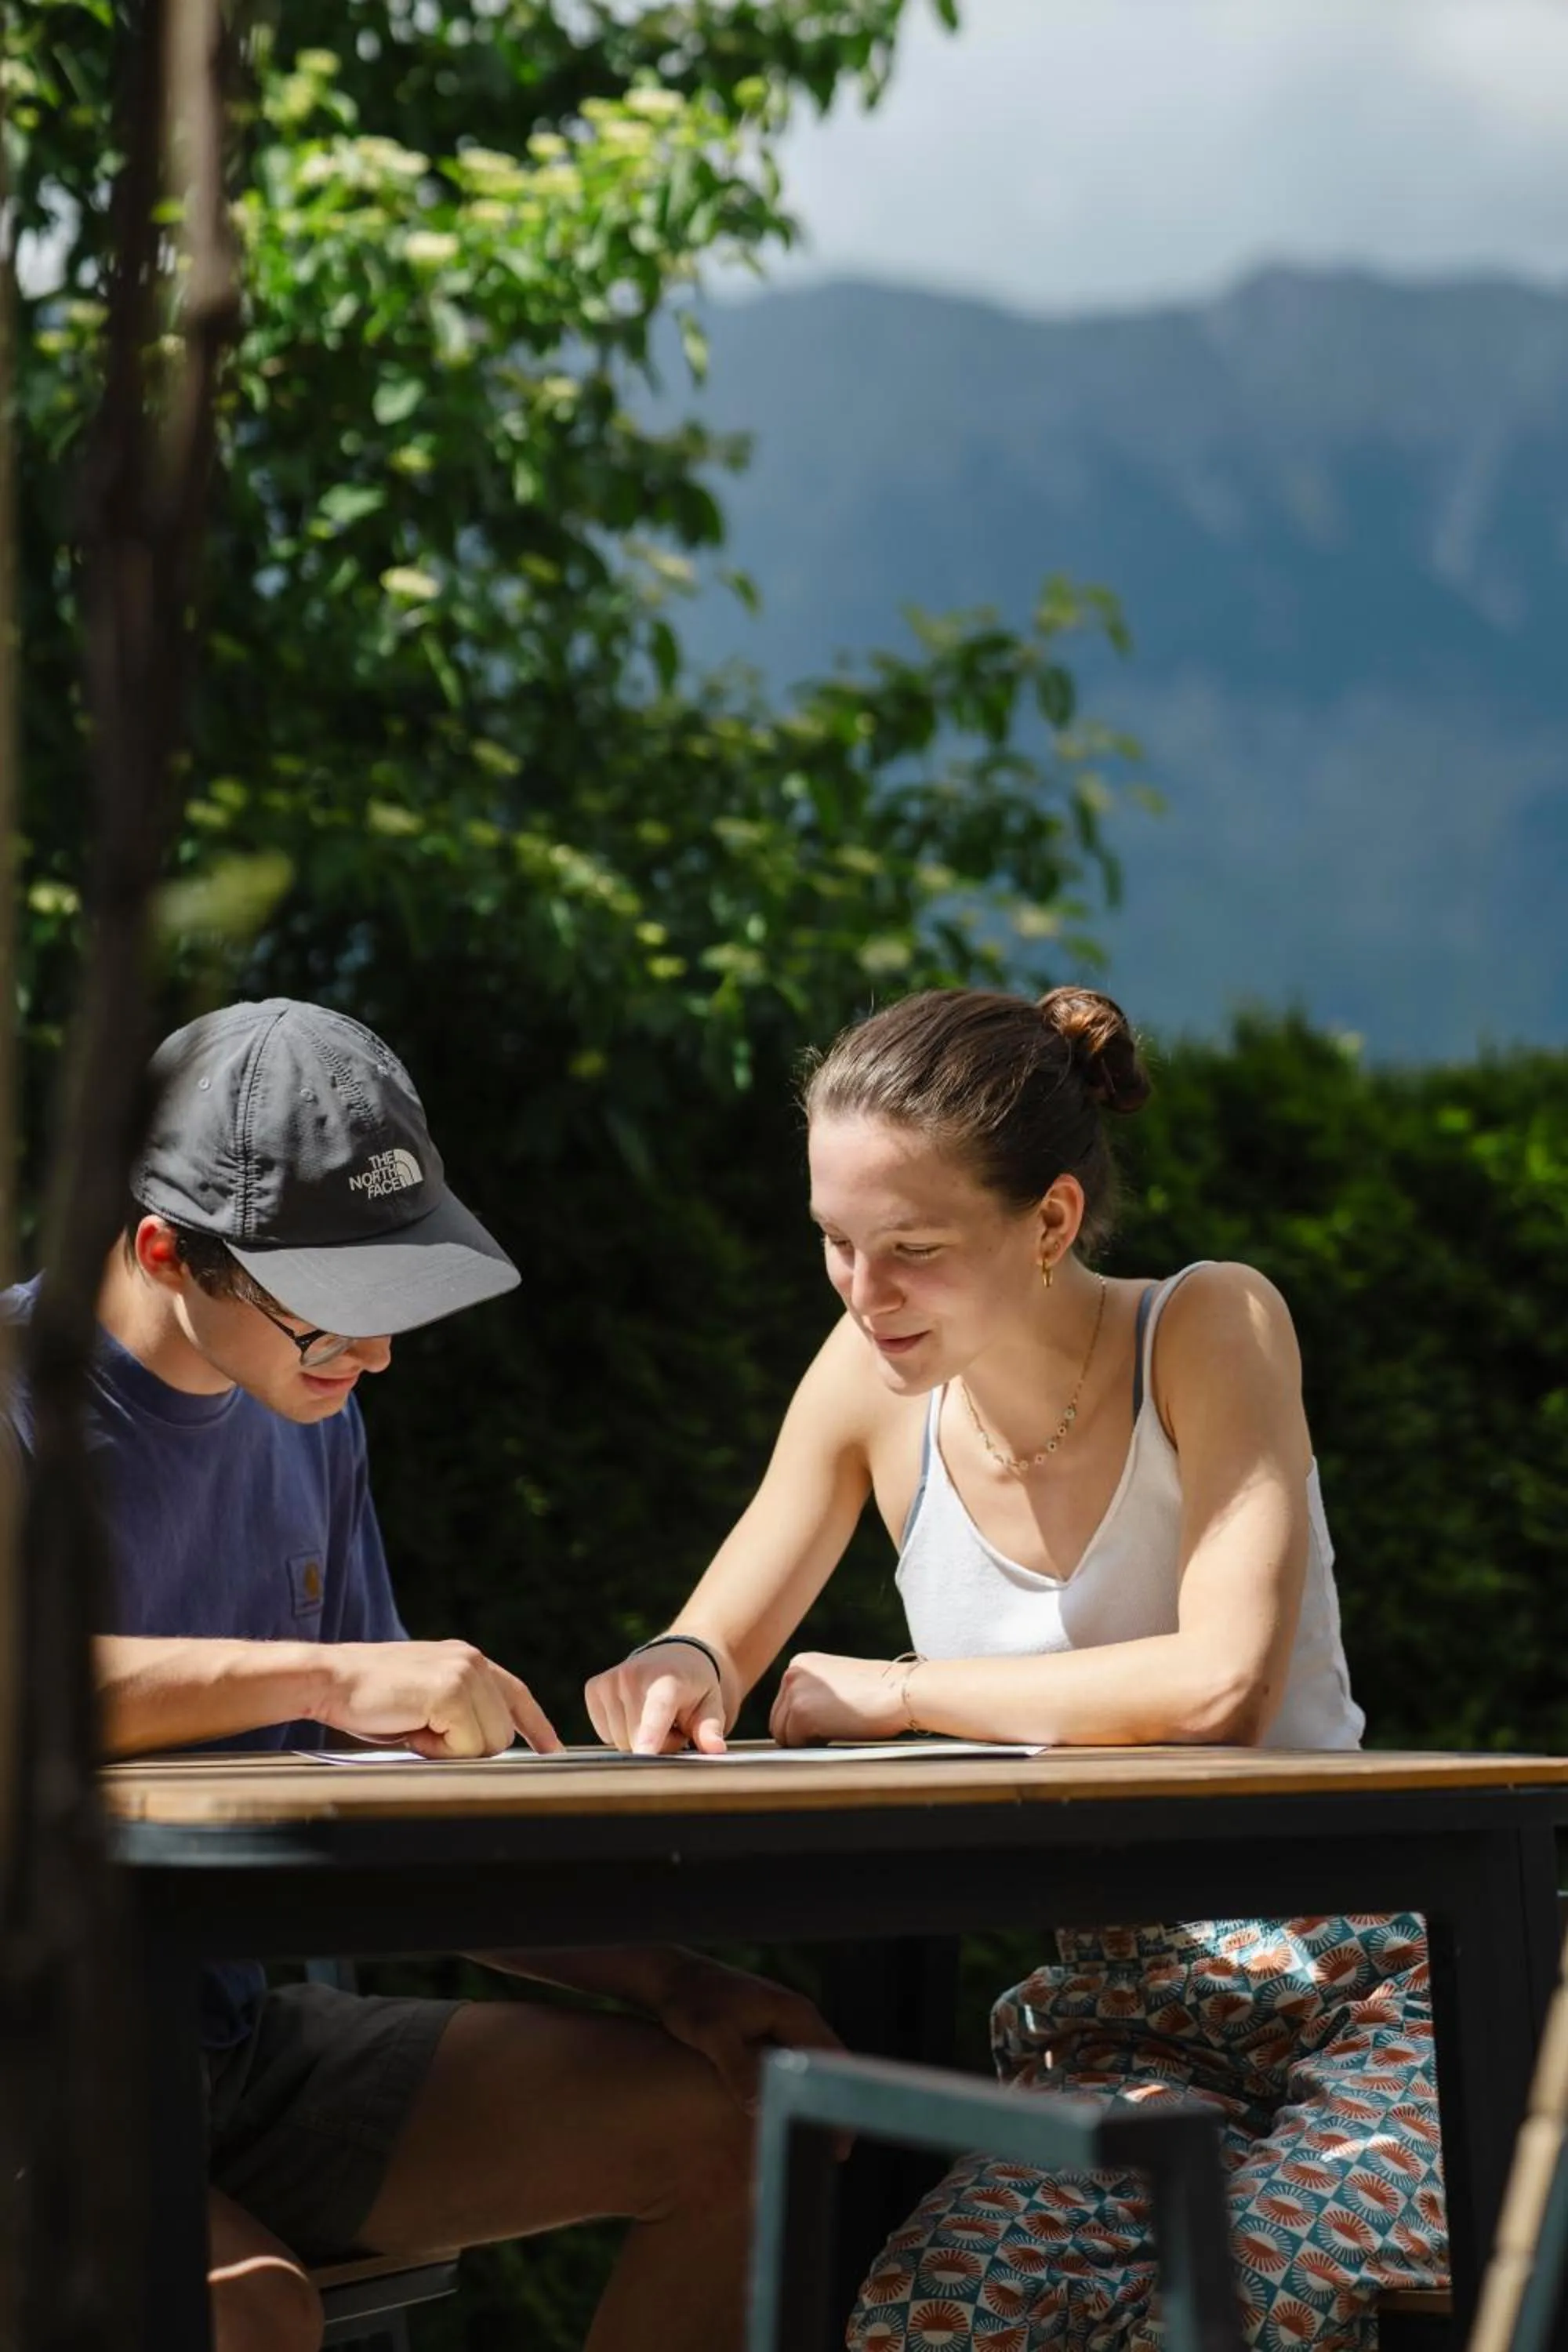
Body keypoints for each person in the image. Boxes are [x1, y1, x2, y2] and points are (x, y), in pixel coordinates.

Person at [586, 985, 1447, 2352]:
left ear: (1049, 1220)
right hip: (1121, 2031)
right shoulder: (870, 1379)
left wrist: (902, 1692)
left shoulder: (1210, 1325)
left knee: (1248, 2297)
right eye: (835, 1245)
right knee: (934, 2312)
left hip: (1360, 1998)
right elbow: (721, 1637)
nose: (864, 1295)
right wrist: (671, 1670)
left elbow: (1220, 1689)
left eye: (911, 1250)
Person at [3, 997, 837, 2352]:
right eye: (330, 1320)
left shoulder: (308, 1419)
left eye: (394, 1306)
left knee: (744, 2122)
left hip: (226, 2054)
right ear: (163, 1249)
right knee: (244, 2313)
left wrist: (669, 1982)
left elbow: (399, 1808)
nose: (375, 1356)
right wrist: (326, 1676)